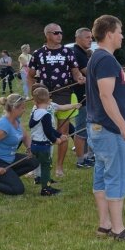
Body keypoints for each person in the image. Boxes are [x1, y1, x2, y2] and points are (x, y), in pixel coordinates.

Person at [86, 15, 125, 241]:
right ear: (109, 33)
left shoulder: (97, 58)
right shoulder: (106, 60)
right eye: (119, 31)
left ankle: (104, 224)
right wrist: (124, 127)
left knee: (101, 176)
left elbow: (110, 95)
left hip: (100, 128)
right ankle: (118, 229)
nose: (122, 36)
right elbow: (105, 95)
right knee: (117, 176)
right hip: (110, 130)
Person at [27, 23, 85, 178]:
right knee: (39, 131)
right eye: (56, 33)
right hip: (44, 94)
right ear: (47, 35)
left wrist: (79, 78)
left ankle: (59, 167)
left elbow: (75, 72)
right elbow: (30, 75)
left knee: (63, 132)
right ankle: (36, 166)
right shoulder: (38, 53)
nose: (60, 35)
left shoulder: (68, 52)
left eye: (61, 32)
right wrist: (34, 93)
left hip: (64, 93)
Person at [29, 87, 70, 196]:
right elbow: (48, 131)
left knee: (40, 165)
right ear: (48, 100)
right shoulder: (46, 114)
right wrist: (55, 139)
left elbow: (33, 125)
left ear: (34, 101)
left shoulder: (35, 112)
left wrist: (60, 135)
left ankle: (39, 179)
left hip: (34, 144)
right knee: (46, 166)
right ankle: (46, 189)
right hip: (43, 146)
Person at [72, 27, 94, 169]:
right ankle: (81, 160)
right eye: (87, 37)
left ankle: (87, 156)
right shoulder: (77, 53)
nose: (90, 40)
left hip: (86, 96)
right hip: (80, 97)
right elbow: (89, 73)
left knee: (87, 127)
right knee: (81, 128)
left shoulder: (82, 53)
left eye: (91, 37)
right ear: (78, 38)